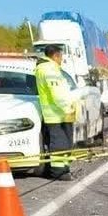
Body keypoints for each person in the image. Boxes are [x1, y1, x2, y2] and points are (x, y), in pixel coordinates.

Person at [35, 45, 75, 180]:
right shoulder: (49, 69)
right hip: (57, 115)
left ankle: (64, 169)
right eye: (61, 57)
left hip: (59, 114)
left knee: (65, 144)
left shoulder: (48, 68)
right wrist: (67, 109)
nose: (62, 60)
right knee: (60, 145)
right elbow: (58, 94)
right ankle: (59, 172)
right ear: (56, 56)